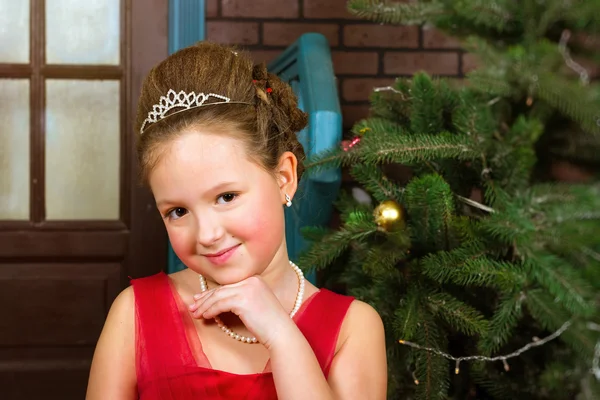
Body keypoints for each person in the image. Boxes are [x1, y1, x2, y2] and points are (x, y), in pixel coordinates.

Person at [86, 41, 387, 400]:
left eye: (226, 197)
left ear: (283, 178)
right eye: (178, 211)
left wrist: (281, 334)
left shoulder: (353, 328)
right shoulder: (134, 314)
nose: (208, 235)